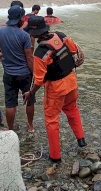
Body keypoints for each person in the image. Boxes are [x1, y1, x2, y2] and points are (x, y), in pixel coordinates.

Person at [22, 16, 87, 174]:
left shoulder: (40, 52)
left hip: (56, 87)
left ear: (34, 34)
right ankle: (81, 140)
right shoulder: (62, 35)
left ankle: (55, 156)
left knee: (52, 120)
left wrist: (31, 93)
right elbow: (74, 52)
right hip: (71, 80)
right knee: (72, 109)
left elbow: (38, 80)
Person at [0, 6, 35, 132]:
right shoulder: (24, 35)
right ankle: (30, 126)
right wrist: (35, 74)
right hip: (25, 74)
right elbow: (29, 58)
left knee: (10, 103)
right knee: (29, 100)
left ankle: (11, 128)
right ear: (21, 18)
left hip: (9, 74)